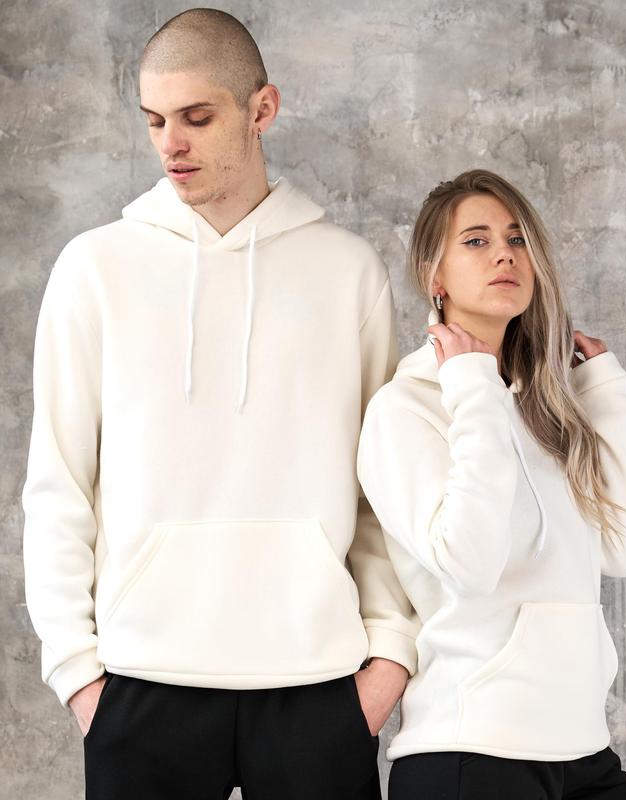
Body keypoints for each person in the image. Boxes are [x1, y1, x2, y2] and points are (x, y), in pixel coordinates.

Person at [21, 9, 417, 800]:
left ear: (261, 109)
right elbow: (58, 484)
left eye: (197, 118)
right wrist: (78, 675)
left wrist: (389, 658)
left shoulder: (346, 272)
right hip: (139, 687)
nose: (171, 143)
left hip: (318, 685)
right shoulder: (95, 269)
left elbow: (383, 488)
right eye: (155, 120)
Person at [357, 169, 626, 799]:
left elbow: (621, 548)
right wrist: (472, 388)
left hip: (583, 750)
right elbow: (470, 564)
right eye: (476, 240)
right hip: (471, 753)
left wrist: (606, 392)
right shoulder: (406, 408)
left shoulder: (545, 409)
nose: (504, 254)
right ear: (435, 278)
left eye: (517, 239)